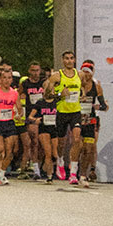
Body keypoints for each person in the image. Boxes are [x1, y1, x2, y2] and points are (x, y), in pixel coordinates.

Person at [45, 51, 84, 185]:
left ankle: (73, 172)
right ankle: (60, 160)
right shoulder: (56, 76)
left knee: (77, 138)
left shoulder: (80, 74)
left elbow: (82, 89)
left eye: (71, 58)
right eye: (66, 58)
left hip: (76, 112)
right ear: (63, 60)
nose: (69, 61)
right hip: (62, 112)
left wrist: (82, 96)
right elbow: (47, 96)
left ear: (74, 60)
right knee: (62, 143)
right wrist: (61, 93)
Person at [76, 60, 108, 188]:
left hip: (90, 120)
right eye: (84, 72)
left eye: (88, 72)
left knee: (88, 149)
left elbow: (103, 105)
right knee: (78, 146)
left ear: (92, 73)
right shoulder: (76, 84)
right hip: (77, 119)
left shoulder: (97, 86)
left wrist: (101, 106)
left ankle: (83, 175)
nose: (86, 75)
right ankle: (74, 170)